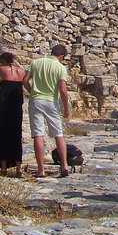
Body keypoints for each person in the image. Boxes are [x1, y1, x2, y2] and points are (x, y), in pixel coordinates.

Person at [23, 44, 70, 178]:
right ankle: (64, 165)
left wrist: (32, 92)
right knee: (58, 134)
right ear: (61, 57)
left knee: (38, 134)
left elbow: (25, 80)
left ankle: (41, 170)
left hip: (36, 100)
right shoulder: (60, 68)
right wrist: (66, 108)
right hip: (51, 102)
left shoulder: (36, 62)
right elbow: (63, 90)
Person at [0, 52, 26, 177]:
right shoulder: (21, 71)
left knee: (2, 134)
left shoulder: (1, 70)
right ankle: (18, 168)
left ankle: (3, 168)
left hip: (4, 106)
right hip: (16, 107)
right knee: (15, 135)